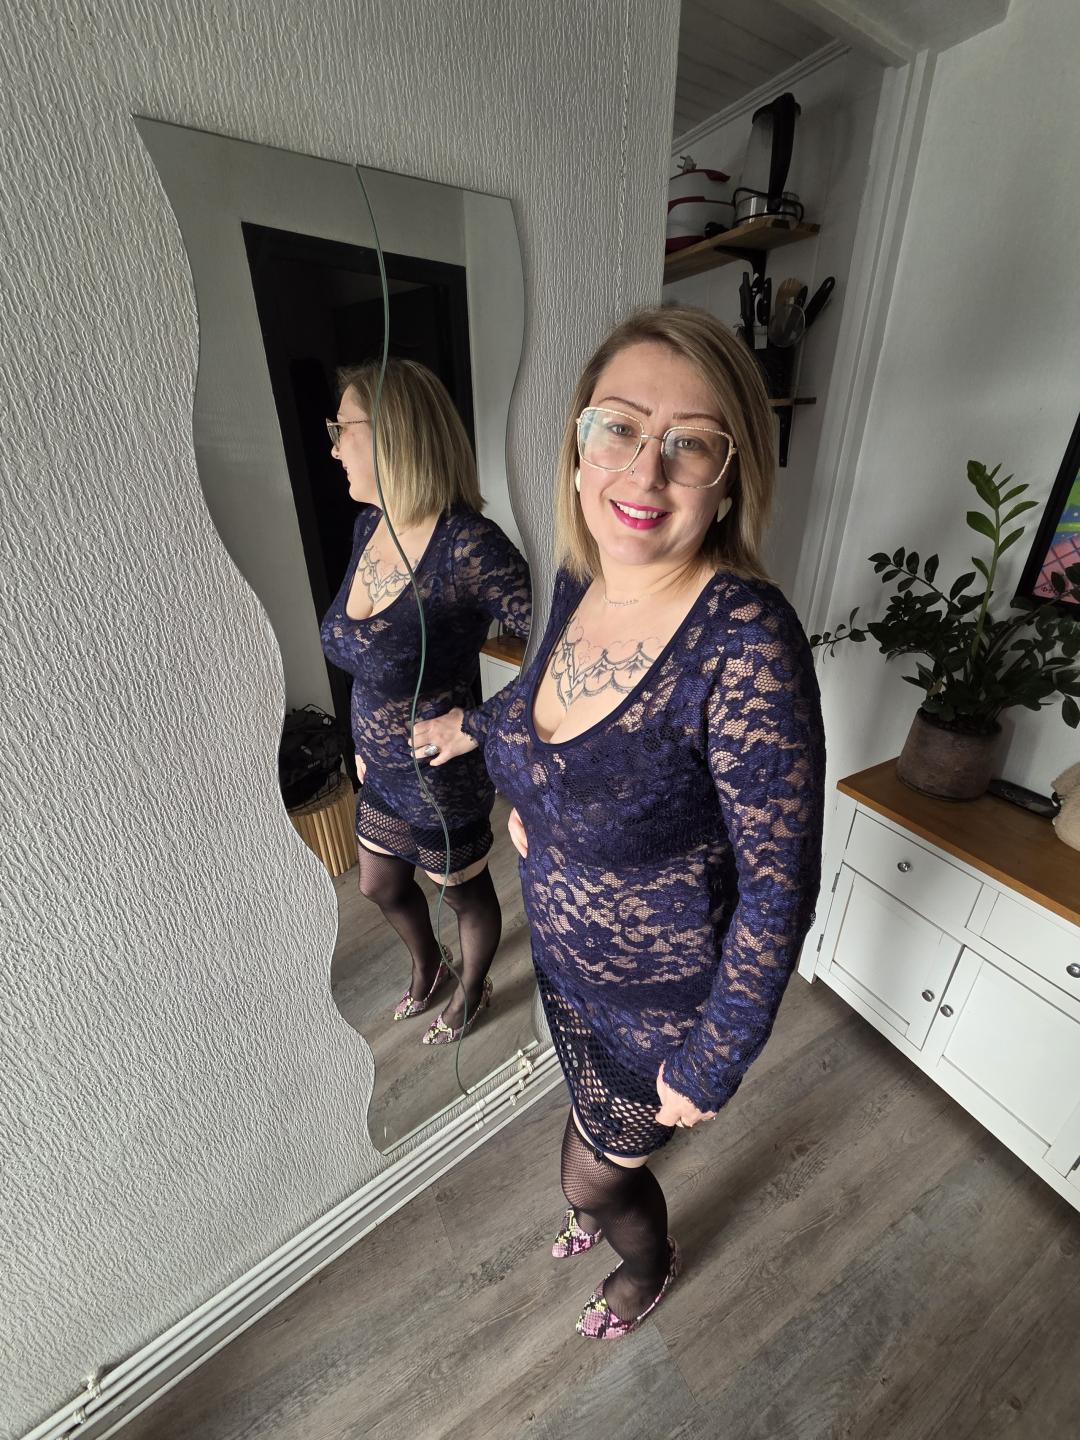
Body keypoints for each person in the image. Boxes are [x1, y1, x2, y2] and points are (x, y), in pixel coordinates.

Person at [413, 305, 825, 1336]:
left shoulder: (746, 643)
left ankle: (646, 1263)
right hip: (565, 963)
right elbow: (546, 708)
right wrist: (485, 739)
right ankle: (605, 1195)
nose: (645, 473)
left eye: (691, 443)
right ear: (579, 441)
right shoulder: (580, 574)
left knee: (594, 1177)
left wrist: (716, 1057)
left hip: (661, 1007)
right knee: (591, 1136)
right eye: (621, 428)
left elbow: (778, 888)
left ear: (731, 475)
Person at [321, 358, 531, 1044]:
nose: (333, 448)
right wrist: (360, 739)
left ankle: (473, 989)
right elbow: (368, 654)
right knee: (378, 885)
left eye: (341, 429)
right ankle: (430, 965)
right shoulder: (369, 526)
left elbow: (567, 647)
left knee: (463, 895)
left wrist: (478, 724)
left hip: (439, 779)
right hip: (378, 769)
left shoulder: (467, 546)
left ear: (392, 434)